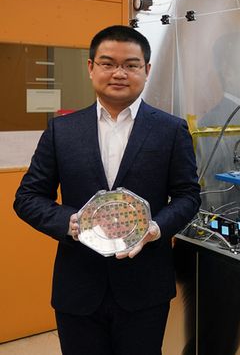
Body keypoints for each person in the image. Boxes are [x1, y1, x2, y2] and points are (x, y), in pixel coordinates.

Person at [14, 25, 201, 355]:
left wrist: (154, 228)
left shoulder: (170, 130)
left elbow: (187, 195)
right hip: (78, 284)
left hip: (145, 286)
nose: (119, 73)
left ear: (146, 70)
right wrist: (71, 223)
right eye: (107, 63)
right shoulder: (62, 130)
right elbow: (28, 197)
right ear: (91, 68)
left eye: (130, 65)